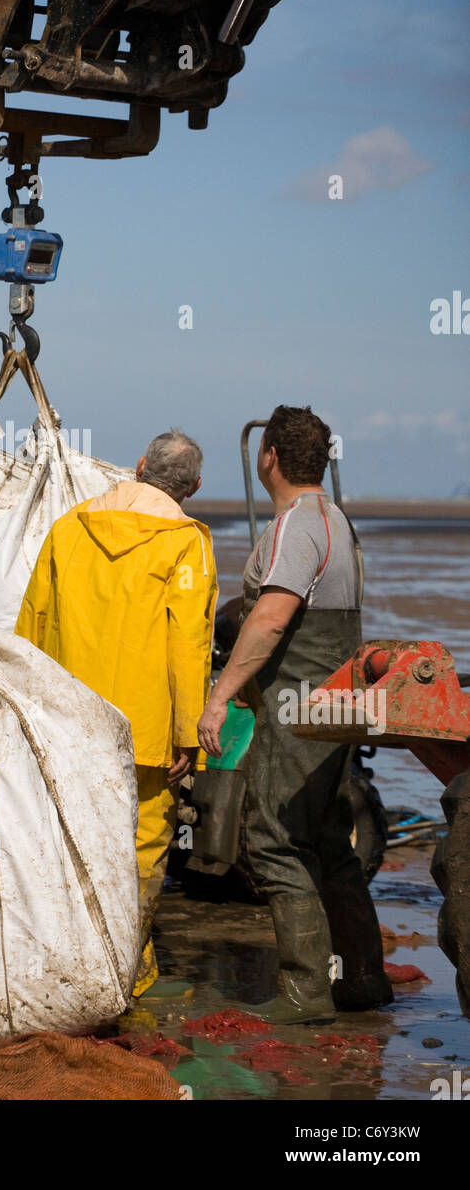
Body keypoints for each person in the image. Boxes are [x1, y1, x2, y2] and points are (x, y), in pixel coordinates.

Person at [197, 405, 392, 1023]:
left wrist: (220, 694)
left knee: (276, 841)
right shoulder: (338, 521)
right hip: (335, 702)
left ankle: (305, 994)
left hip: (296, 706)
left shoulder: (297, 526)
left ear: (269, 457)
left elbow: (273, 616)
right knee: (329, 841)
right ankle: (362, 979)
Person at [16, 430, 218, 998]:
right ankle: (124, 969)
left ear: (137, 468)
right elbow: (189, 643)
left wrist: (25, 716)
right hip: (145, 732)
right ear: (193, 488)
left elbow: (31, 627)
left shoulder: (68, 528)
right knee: (141, 847)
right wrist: (188, 736)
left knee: (65, 836)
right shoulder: (186, 543)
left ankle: (62, 961)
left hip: (67, 723)